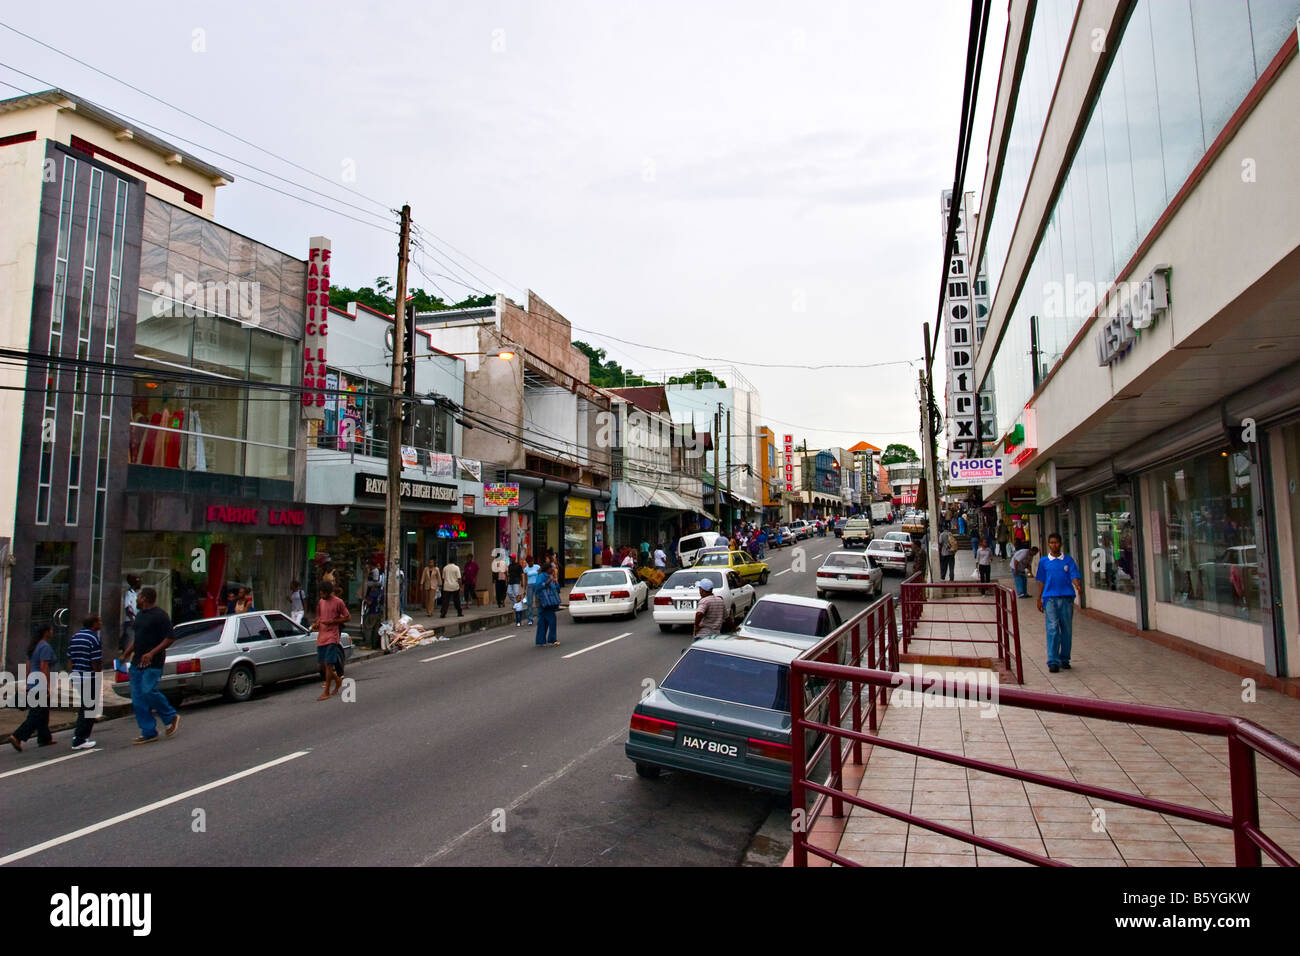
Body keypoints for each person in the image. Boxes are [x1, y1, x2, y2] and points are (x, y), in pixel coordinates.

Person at [121, 587, 180, 744]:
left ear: (145, 598)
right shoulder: (140, 616)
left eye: (139, 597)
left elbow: (169, 638)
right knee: (138, 698)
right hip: (137, 662)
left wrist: (152, 653)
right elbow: (137, 639)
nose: (137, 599)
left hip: (153, 662)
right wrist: (126, 653)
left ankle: (170, 715)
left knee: (148, 691)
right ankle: (148, 732)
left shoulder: (160, 615)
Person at [1036, 533, 1083, 673]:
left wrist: (1077, 585)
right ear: (1048, 544)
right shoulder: (1044, 561)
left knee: (1066, 630)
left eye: (1056, 542)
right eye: (1051, 542)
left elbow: (1074, 575)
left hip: (1066, 598)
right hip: (1050, 598)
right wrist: (1039, 598)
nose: (1054, 545)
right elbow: (1041, 581)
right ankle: (1053, 661)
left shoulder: (1068, 560)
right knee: (1052, 628)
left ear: (1061, 543)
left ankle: (1064, 659)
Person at [8, 624, 58, 751]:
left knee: (43, 712)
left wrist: (28, 683)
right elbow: (44, 666)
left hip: (33, 683)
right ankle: (17, 736)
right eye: (51, 630)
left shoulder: (34, 646)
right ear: (46, 632)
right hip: (40, 684)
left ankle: (44, 738)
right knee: (36, 714)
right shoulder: (45, 647)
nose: (52, 632)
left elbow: (28, 666)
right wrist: (46, 685)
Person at [68, 614, 103, 750]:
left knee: (84, 706)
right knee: (89, 708)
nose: (101, 623)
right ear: (94, 624)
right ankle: (80, 739)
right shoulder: (93, 638)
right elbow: (96, 661)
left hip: (77, 676)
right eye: (99, 621)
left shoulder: (75, 637)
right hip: (89, 677)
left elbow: (69, 659)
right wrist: (98, 675)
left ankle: (79, 735)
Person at [313, 581, 350, 699]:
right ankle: (337, 680)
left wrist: (333, 621)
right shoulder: (321, 602)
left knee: (329, 664)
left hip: (332, 636)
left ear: (328, 592)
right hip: (322, 635)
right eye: (320, 593)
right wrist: (317, 624)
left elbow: (347, 617)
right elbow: (319, 616)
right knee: (322, 665)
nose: (321, 595)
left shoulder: (338, 602)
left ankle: (327, 691)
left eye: (323, 593)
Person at [534, 564, 562, 648]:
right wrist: (548, 582)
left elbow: (557, 589)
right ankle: (551, 639)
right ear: (547, 569)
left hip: (550, 602)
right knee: (552, 620)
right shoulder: (542, 576)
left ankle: (540, 641)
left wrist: (556, 582)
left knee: (543, 622)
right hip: (544, 602)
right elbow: (537, 587)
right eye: (551, 568)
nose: (552, 570)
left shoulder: (551, 576)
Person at [523, 555, 541, 625]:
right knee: (529, 603)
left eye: (532, 561)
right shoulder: (526, 569)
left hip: (536, 585)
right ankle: (530, 619)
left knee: (538, 602)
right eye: (530, 562)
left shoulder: (537, 567)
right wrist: (524, 590)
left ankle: (539, 618)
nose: (531, 563)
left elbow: (540, 577)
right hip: (529, 586)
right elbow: (525, 580)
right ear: (528, 562)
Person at [123, 575, 140, 645]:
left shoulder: (135, 593)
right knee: (130, 642)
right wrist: (132, 620)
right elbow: (128, 608)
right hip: (131, 621)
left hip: (135, 621)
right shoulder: (129, 593)